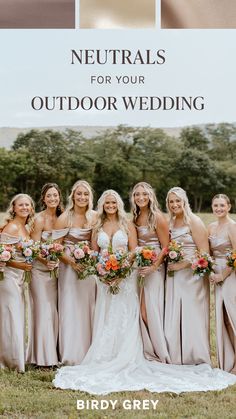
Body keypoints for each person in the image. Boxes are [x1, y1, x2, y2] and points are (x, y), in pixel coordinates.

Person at [53, 189, 236, 394]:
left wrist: (122, 271)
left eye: (114, 203)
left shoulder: (127, 223)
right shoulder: (98, 226)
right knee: (105, 315)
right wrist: (103, 270)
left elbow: (133, 250)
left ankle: (138, 353)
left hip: (127, 276)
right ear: (102, 205)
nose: (111, 206)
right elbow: (95, 253)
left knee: (132, 313)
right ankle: (105, 353)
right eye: (107, 203)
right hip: (104, 277)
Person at [165, 187, 211, 365]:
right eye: (171, 201)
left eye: (178, 201)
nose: (175, 204)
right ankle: (176, 355)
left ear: (184, 201)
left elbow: (204, 254)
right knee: (174, 313)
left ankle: (195, 355)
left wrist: (181, 265)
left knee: (192, 315)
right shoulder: (170, 222)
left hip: (191, 277)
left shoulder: (194, 221)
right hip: (174, 277)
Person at [53, 180, 96, 365]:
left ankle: (88, 350)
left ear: (90, 197)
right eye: (79, 194)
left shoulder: (94, 217)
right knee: (70, 306)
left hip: (87, 268)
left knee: (87, 307)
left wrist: (89, 261)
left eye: (85, 194)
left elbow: (95, 245)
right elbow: (56, 247)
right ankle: (70, 353)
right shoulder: (64, 218)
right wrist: (71, 262)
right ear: (73, 196)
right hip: (68, 269)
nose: (82, 197)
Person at [131, 182, 170, 362]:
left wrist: (153, 267)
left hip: (155, 269)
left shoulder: (158, 218)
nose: (141, 197)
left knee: (151, 310)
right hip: (140, 267)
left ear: (150, 196)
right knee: (141, 309)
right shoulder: (134, 218)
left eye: (144, 194)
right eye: (137, 194)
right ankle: (147, 348)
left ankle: (160, 351)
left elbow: (165, 247)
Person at [27, 183, 64, 367]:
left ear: (59, 197)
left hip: (57, 271)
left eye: (55, 196)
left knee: (55, 311)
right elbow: (33, 248)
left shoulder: (63, 217)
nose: (52, 199)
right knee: (43, 310)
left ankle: (54, 352)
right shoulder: (38, 220)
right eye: (49, 196)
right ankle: (42, 358)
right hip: (39, 271)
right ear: (43, 199)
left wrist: (57, 260)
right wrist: (45, 261)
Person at [0, 193, 35, 371]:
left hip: (20, 279)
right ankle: (9, 362)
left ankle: (16, 358)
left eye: (27, 205)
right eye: (20, 205)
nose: (24, 208)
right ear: (13, 208)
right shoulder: (12, 228)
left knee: (18, 317)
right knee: (11, 317)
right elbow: (2, 257)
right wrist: (21, 265)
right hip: (8, 278)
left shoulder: (26, 228)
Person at [208, 194, 236, 374]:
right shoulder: (210, 227)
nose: (219, 208)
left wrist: (223, 275)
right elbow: (207, 253)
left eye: (222, 205)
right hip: (216, 274)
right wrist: (210, 270)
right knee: (224, 318)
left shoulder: (233, 227)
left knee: (233, 316)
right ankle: (230, 360)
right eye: (216, 205)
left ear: (229, 206)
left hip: (230, 275)